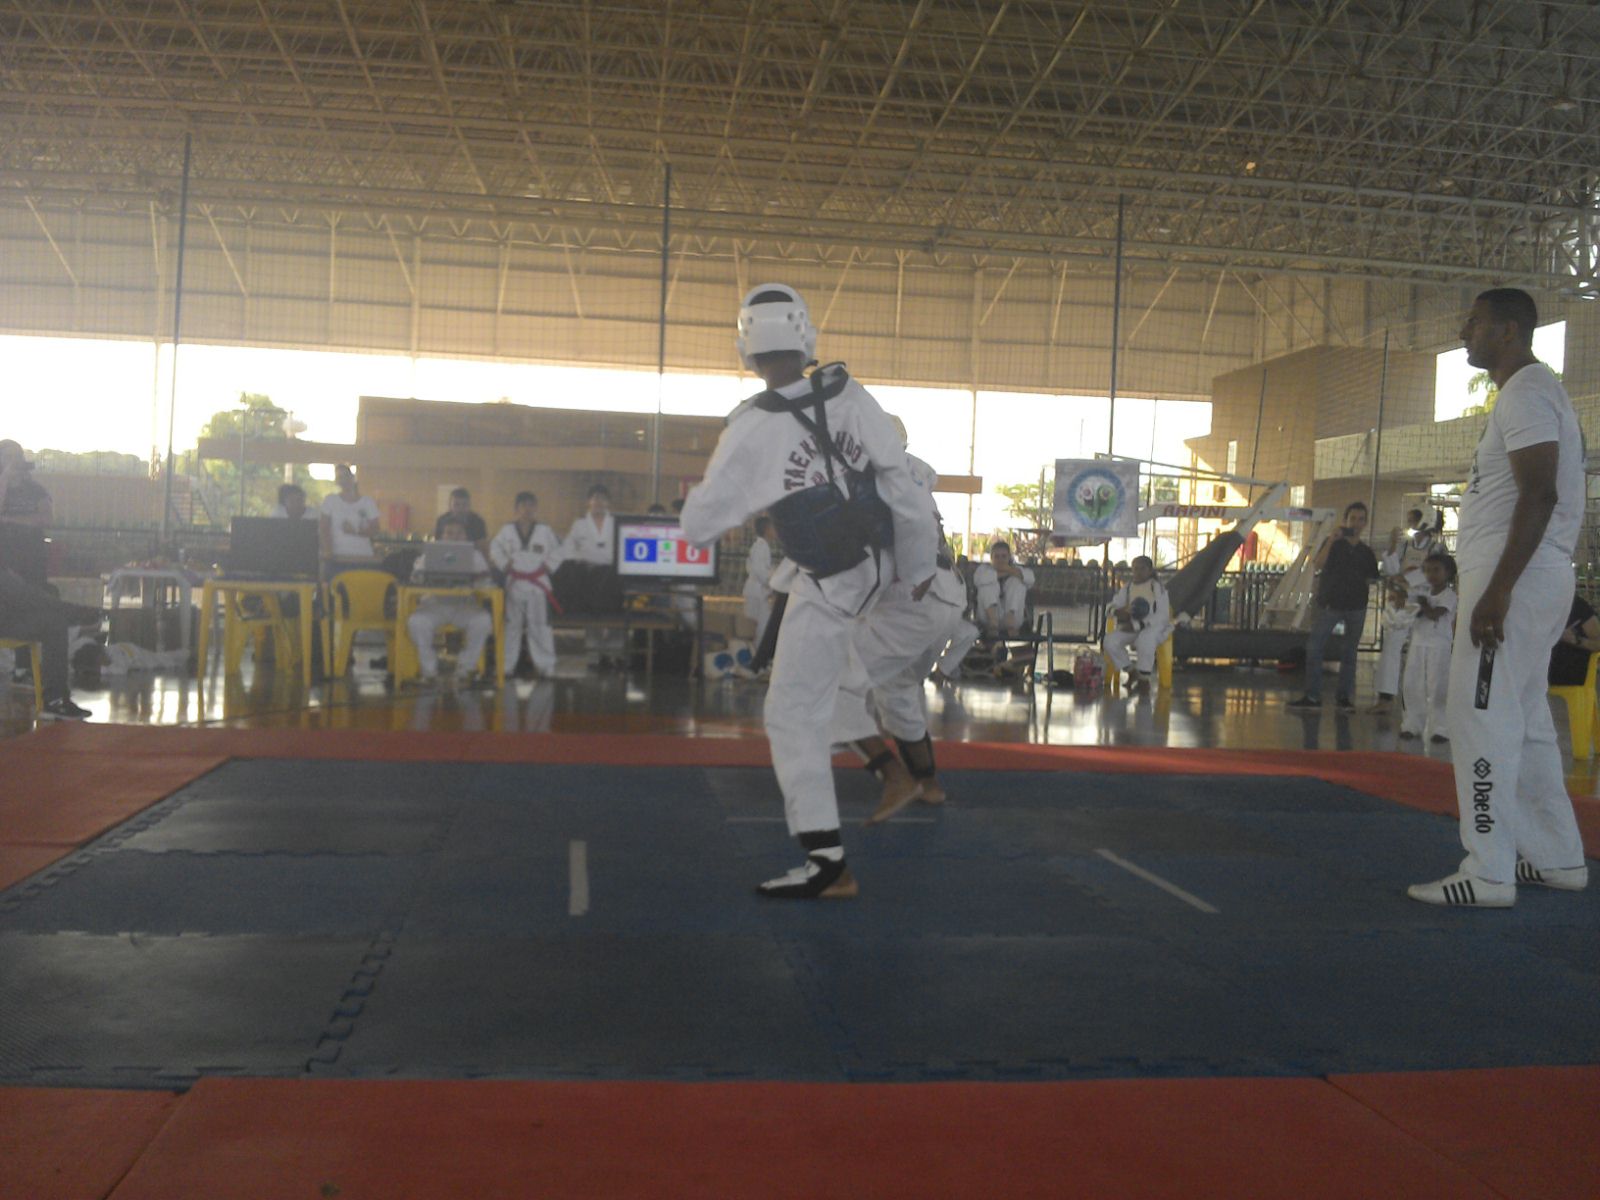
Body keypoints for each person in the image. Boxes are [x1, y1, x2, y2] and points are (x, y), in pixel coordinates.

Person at [679, 282, 939, 899]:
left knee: (792, 713)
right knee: (828, 689)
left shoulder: (751, 428)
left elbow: (697, 527)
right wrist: (916, 568)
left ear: (746, 350)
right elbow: (901, 485)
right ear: (805, 338)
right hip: (881, 568)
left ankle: (827, 865)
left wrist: (745, 488)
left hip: (828, 585)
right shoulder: (849, 393)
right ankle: (887, 775)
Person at [1409, 288, 1588, 907]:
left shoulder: (1528, 392)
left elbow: (1540, 493)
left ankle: (1488, 872)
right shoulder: (1530, 392)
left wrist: (1497, 591)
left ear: (1508, 330)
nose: (1464, 331)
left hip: (1517, 577)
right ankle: (1557, 857)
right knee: (1527, 720)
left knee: (1479, 716)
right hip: (1530, 575)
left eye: (1474, 322)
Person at [1287, 501, 1379, 712]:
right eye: (1352, 519)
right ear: (1345, 521)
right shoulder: (1333, 545)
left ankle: (1343, 697)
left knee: (1350, 652)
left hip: (1356, 606)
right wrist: (1331, 540)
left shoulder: (1366, 552)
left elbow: (1371, 577)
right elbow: (1317, 564)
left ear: (1365, 523)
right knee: (1314, 647)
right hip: (1331, 604)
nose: (1356, 524)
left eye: (1360, 520)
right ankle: (1313, 695)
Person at [405, 516, 494, 686]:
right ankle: (429, 671)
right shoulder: (429, 555)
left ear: (466, 536)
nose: (454, 536)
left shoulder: (475, 555)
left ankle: (465, 669)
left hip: (465, 604)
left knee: (483, 621)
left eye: (459, 533)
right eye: (449, 533)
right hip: (433, 604)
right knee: (417, 622)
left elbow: (486, 582)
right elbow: (415, 578)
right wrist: (426, 578)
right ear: (442, 536)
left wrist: (475, 582)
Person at [490, 491, 564, 679]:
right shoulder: (506, 530)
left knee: (540, 626)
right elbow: (494, 548)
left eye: (531, 505)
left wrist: (549, 565)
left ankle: (546, 667)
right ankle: (506, 666)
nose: (527, 509)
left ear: (536, 508)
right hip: (514, 584)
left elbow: (559, 551)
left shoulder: (545, 530)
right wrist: (503, 563)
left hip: (537, 584)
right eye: (523, 505)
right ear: (516, 509)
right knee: (511, 627)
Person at [562, 483, 623, 668]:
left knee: (615, 614)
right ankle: (593, 655)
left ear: (608, 502)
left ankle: (614, 654)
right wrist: (581, 559)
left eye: (602, 498)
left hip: (613, 575)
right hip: (588, 575)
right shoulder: (579, 524)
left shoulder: (616, 523)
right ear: (588, 502)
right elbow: (567, 549)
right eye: (595, 498)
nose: (598, 502)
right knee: (592, 615)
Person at [1399, 552, 1456, 743]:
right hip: (1418, 643)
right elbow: (1410, 613)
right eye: (1427, 571)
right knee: (1412, 684)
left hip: (1439, 646)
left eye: (1436, 570)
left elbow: (1433, 614)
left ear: (1448, 573)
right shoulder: (1420, 593)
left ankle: (1441, 727)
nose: (1431, 575)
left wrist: (1421, 601)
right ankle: (1412, 723)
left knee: (1438, 686)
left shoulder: (1449, 596)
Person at [320, 464, 382, 573]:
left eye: (346, 476)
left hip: (363, 556)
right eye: (340, 477)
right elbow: (324, 528)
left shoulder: (367, 502)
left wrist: (356, 531)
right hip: (337, 556)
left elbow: (375, 529)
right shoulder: (330, 500)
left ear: (353, 477)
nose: (344, 480)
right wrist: (327, 551)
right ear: (336, 481)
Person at [1369, 579, 1416, 713]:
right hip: (1403, 605)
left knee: (1392, 658)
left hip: (1408, 608)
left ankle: (1387, 700)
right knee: (1389, 658)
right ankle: (1385, 699)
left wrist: (1401, 592)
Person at [973, 541, 1034, 641]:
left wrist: (1009, 570)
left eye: (1003, 556)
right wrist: (1003, 572)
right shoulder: (983, 570)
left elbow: (1031, 579)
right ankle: (993, 622)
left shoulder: (1018, 570)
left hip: (1013, 619)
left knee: (1017, 582)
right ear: (991, 558)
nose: (1000, 560)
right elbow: (978, 580)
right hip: (988, 620)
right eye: (997, 556)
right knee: (987, 583)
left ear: (1009, 557)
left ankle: (1010, 619)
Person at [1548, 593, 1600, 686]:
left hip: (1571, 679)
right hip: (1540, 675)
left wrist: (1576, 640)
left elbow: (1598, 643)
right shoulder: (1534, 605)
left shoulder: (1577, 605)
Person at [743, 515, 777, 649]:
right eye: (773, 528)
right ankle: (756, 651)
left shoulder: (760, 545)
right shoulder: (762, 546)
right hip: (757, 590)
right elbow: (759, 570)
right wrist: (770, 582)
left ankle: (755, 650)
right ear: (767, 530)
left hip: (757, 590)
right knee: (760, 624)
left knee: (757, 623)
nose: (775, 531)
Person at [435, 487, 489, 557]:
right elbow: (438, 545)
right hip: (446, 555)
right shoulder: (442, 521)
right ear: (450, 506)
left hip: (470, 556)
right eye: (456, 504)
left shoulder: (478, 522)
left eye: (464, 505)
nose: (460, 508)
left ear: (469, 505)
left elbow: (482, 547)